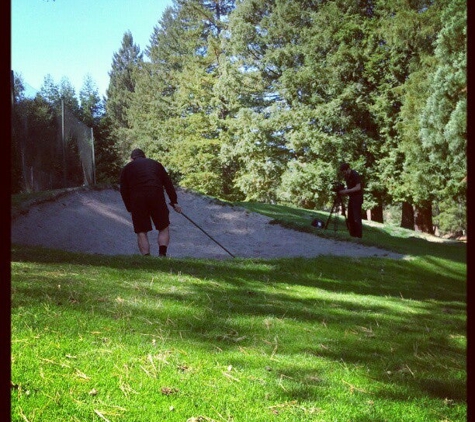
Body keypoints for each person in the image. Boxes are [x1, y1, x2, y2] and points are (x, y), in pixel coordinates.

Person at [120, 148, 182, 257]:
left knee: (141, 230)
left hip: (137, 198)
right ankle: (162, 254)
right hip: (156, 195)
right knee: (163, 226)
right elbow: (168, 184)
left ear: (131, 158)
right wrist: (174, 201)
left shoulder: (127, 168)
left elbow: (123, 190)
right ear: (145, 156)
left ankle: (147, 258)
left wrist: (129, 207)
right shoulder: (156, 164)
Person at [338, 162, 363, 238]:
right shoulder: (347, 177)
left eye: (344, 171)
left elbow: (358, 187)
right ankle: (352, 234)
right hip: (352, 197)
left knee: (356, 216)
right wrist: (343, 190)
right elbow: (349, 188)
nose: (344, 173)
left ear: (348, 169)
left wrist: (346, 191)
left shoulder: (355, 174)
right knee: (350, 216)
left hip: (357, 197)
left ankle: (358, 235)